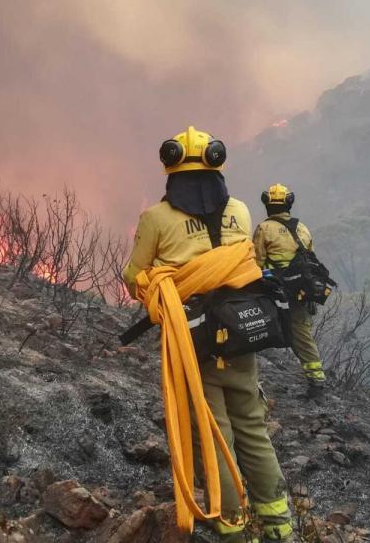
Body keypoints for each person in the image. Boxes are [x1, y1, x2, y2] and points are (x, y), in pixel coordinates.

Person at [123, 127, 293, 542]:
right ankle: (279, 525)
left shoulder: (155, 218)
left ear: (171, 171)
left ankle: (233, 526)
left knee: (213, 431)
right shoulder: (240, 210)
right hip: (241, 334)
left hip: (194, 341)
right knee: (253, 426)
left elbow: (133, 277)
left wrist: (162, 282)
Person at [253, 184, 326, 396]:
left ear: (267, 204)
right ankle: (316, 382)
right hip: (300, 293)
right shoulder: (302, 228)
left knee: (252, 326)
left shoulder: (264, 229)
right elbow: (310, 260)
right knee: (302, 335)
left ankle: (247, 380)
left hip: (274, 292)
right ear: (289, 204)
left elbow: (256, 262)